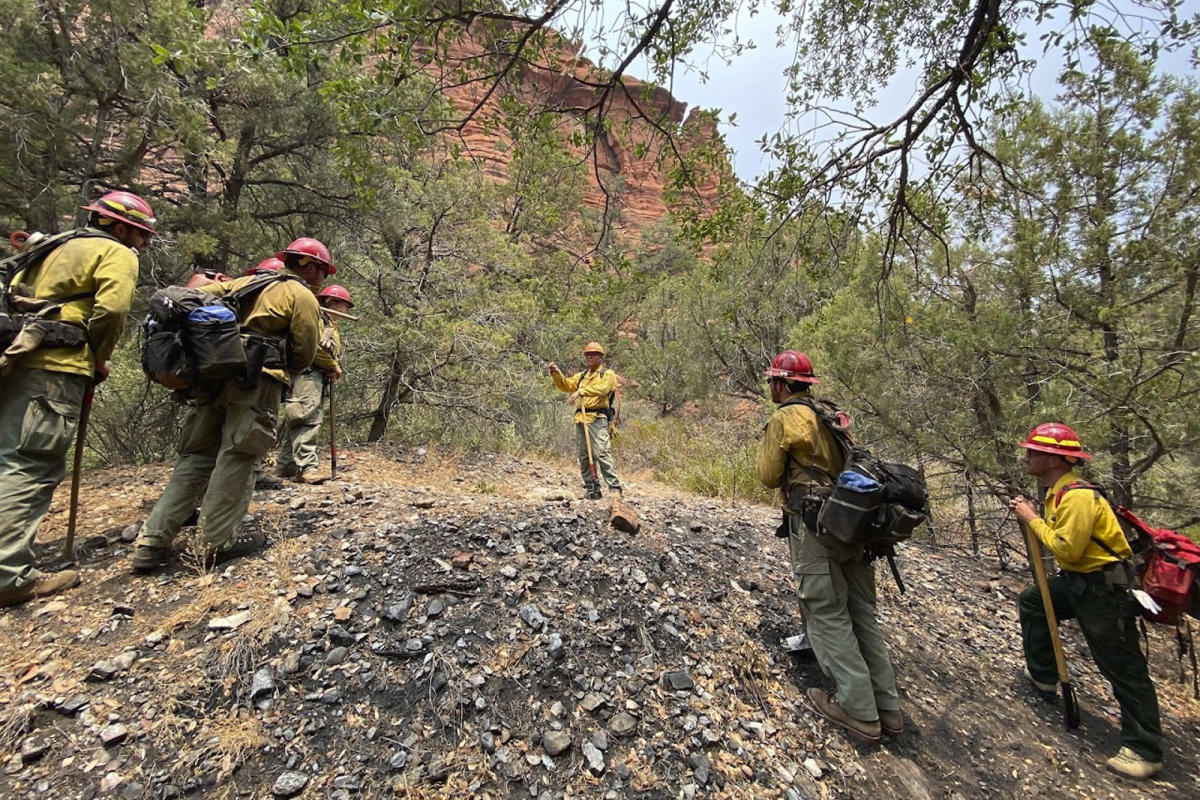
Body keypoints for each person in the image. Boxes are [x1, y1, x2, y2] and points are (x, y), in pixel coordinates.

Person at [131, 238, 328, 570]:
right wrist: (285, 373)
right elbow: (305, 349)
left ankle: (151, 543)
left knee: (195, 458)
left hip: (213, 379)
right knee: (239, 456)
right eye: (322, 270)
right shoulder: (301, 295)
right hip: (256, 381)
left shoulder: (245, 283)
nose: (323, 277)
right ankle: (214, 544)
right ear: (309, 266)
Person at [0, 190, 154, 607]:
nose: (142, 244)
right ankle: (9, 574)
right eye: (140, 235)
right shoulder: (114, 252)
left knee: (7, 455)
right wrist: (99, 358)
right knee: (30, 463)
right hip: (57, 368)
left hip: (14, 359)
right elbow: (113, 311)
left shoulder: (50, 246)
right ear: (120, 226)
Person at [756, 349, 901, 743]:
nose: (771, 387)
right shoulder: (829, 415)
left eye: (773, 381)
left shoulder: (787, 417)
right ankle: (888, 708)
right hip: (850, 523)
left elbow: (768, 476)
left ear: (783, 384)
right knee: (861, 613)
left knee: (825, 611)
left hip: (814, 525)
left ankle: (859, 712)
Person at [1010, 423, 1163, 780]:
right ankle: (1045, 677)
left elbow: (1068, 549)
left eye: (1033, 451)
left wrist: (1031, 520)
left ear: (1054, 458)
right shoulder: (1058, 491)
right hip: (1079, 583)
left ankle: (1144, 749)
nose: (1027, 457)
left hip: (1102, 590)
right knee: (1034, 602)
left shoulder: (1076, 496)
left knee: (1122, 666)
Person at [275, 284, 349, 483]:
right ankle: (306, 467)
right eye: (344, 305)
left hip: (316, 375)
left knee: (300, 417)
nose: (346, 310)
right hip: (307, 374)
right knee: (305, 418)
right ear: (332, 302)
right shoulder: (317, 318)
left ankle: (287, 467)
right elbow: (312, 348)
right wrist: (333, 365)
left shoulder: (328, 322)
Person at [548, 342, 622, 499]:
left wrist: (581, 391)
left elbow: (602, 389)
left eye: (593, 354)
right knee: (584, 456)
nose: (589, 357)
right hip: (581, 418)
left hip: (598, 418)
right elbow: (567, 386)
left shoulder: (607, 374)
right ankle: (592, 488)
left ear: (600, 357)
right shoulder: (582, 376)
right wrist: (556, 374)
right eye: (587, 354)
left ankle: (614, 488)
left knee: (601, 452)